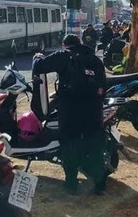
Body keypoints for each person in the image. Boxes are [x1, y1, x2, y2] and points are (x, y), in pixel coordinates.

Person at [32, 34, 108, 195]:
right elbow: (103, 86)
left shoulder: (64, 55)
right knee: (95, 147)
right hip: (94, 111)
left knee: (69, 147)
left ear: (65, 45)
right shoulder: (94, 60)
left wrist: (37, 57)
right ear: (80, 43)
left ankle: (72, 184)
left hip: (71, 111)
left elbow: (40, 67)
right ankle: (100, 186)